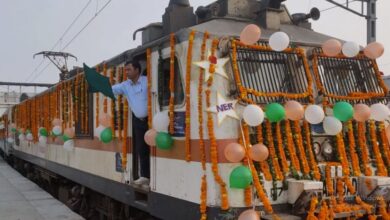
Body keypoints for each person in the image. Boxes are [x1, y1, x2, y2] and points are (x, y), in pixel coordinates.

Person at [112, 60, 150, 188]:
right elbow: (111, 90)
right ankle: (145, 176)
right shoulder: (125, 85)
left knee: (153, 148)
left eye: (129, 69)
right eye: (125, 70)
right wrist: (98, 84)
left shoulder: (147, 81)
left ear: (137, 70)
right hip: (138, 121)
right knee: (141, 148)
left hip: (151, 120)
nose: (126, 72)